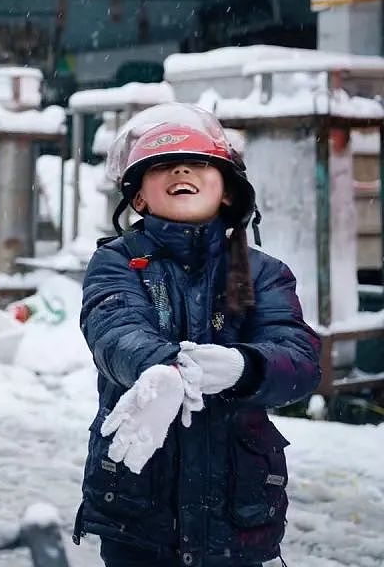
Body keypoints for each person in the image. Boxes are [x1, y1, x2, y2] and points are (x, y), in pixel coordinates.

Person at [72, 104, 321, 567]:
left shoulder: (265, 273)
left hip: (238, 508)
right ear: (139, 199)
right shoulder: (117, 263)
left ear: (228, 192)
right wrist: (161, 371)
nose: (181, 169)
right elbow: (114, 329)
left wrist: (245, 367)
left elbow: (300, 358)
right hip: (138, 507)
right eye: (162, 164)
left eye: (199, 162)